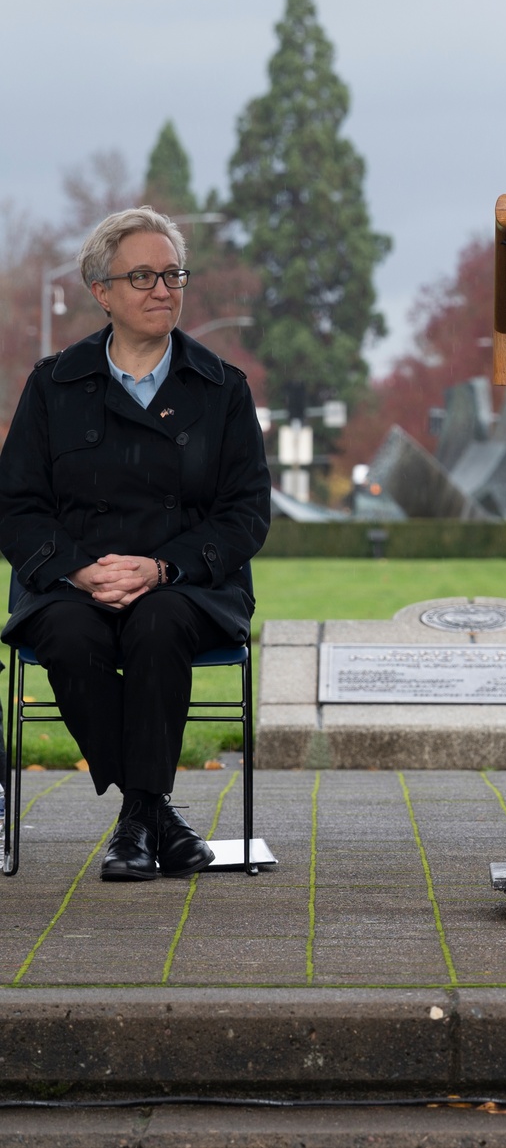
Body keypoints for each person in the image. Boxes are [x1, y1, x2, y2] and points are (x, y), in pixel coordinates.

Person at [0, 207, 270, 882]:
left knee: (158, 622)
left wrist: (162, 566)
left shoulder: (222, 389)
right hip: (72, 583)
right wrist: (80, 572)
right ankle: (155, 818)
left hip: (189, 584)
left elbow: (246, 513)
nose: (162, 289)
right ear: (102, 291)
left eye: (172, 274)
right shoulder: (53, 384)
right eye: (143, 275)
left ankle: (135, 824)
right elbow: (17, 506)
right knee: (66, 632)